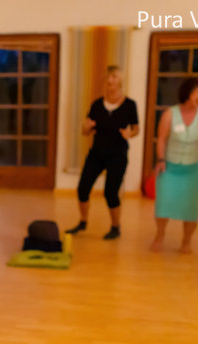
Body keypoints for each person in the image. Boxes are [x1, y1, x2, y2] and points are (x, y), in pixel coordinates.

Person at [66, 66, 139, 240]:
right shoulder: (97, 105)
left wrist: (130, 134)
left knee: (110, 193)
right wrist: (86, 127)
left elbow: (136, 128)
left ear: (120, 81)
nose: (110, 80)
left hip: (117, 155)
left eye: (114, 77)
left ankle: (115, 227)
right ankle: (83, 222)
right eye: (108, 77)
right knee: (83, 188)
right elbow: (85, 131)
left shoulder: (129, 105)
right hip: (97, 153)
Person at [151, 77, 198, 253]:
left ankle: (186, 241)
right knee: (163, 203)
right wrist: (160, 159)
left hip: (193, 169)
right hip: (170, 167)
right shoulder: (170, 114)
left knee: (191, 208)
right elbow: (161, 139)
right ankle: (160, 235)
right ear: (188, 92)